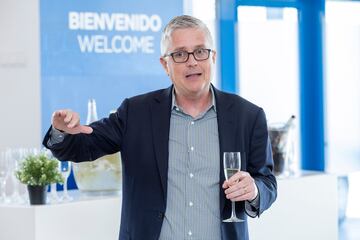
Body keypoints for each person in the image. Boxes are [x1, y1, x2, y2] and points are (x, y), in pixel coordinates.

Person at [43, 15, 277, 240]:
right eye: (179, 54)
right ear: (165, 64)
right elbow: (79, 148)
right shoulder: (135, 112)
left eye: (200, 51)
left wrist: (254, 190)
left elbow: (267, 183)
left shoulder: (248, 116)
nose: (192, 61)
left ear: (212, 57)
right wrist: (61, 132)